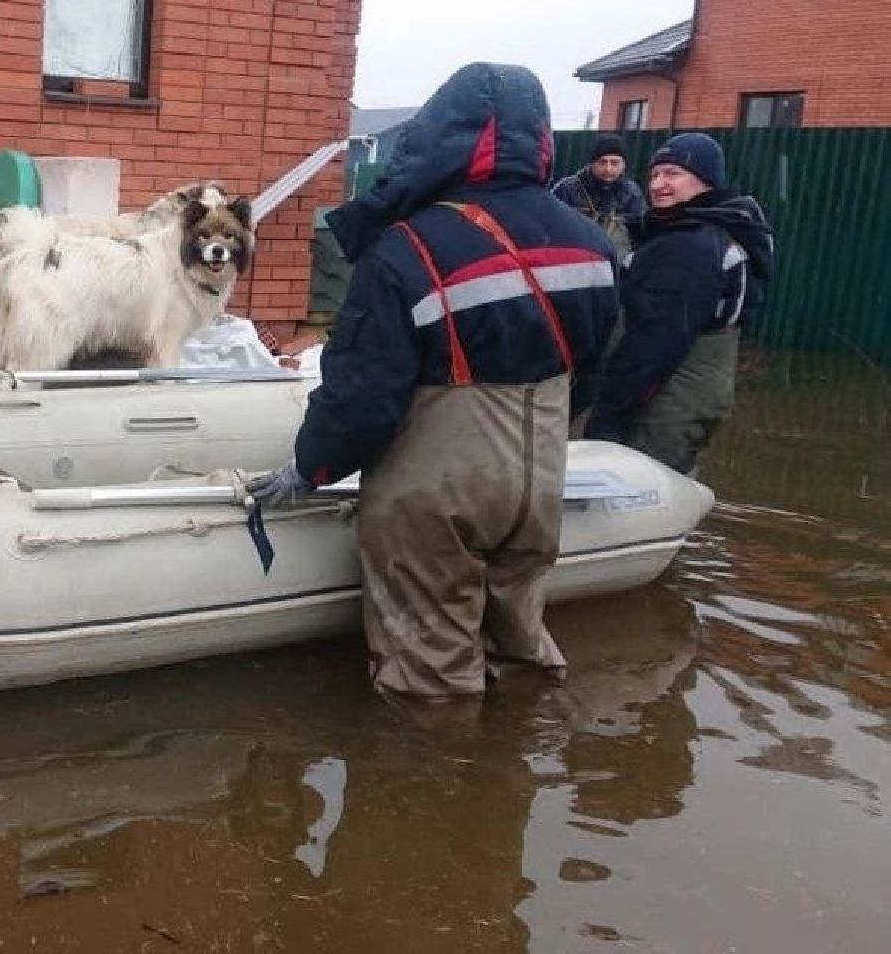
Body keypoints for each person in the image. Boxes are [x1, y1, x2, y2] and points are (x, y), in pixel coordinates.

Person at [246, 63, 620, 701]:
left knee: (430, 680)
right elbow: (595, 369)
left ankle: (434, 791)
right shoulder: (592, 242)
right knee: (519, 648)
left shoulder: (407, 248)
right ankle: (516, 780)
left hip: (441, 491)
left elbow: (363, 394)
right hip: (538, 479)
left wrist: (310, 467)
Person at [584, 133, 775, 476]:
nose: (659, 184)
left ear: (706, 180)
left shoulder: (691, 247)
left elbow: (654, 342)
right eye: (654, 175)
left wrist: (607, 416)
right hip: (689, 400)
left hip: (663, 407)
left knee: (630, 502)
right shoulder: (704, 233)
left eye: (673, 174)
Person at [552, 133, 646, 259]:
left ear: (623, 165)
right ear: (591, 163)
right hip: (573, 263)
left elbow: (640, 236)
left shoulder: (632, 193)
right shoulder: (567, 189)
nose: (608, 169)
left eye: (614, 163)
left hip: (615, 268)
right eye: (602, 162)